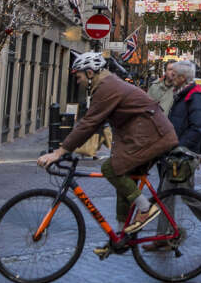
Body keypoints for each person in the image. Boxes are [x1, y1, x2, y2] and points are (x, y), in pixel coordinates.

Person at [38, 51, 180, 242]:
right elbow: (94, 123)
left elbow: (89, 123)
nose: (77, 81)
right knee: (124, 179)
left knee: (110, 169)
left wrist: (61, 151)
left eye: (78, 76)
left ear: (90, 73)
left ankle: (145, 208)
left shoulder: (107, 87)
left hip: (153, 137)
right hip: (145, 136)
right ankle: (122, 235)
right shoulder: (107, 84)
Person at [166, 61, 201, 156]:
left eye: (174, 75)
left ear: (182, 78)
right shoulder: (182, 94)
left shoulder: (194, 96)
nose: (171, 77)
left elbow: (198, 126)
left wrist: (181, 146)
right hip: (177, 152)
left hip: (183, 155)